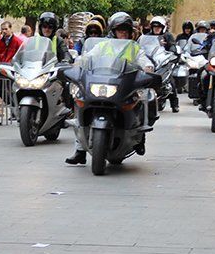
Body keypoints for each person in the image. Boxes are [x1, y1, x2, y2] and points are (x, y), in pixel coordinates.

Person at [66, 12, 152, 165]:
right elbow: (88, 57)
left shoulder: (135, 48)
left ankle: (140, 136)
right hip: (102, 83)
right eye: (120, 29)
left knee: (146, 96)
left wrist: (148, 67)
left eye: (126, 29)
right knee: (79, 99)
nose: (123, 32)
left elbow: (144, 60)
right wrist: (78, 62)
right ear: (113, 31)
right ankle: (80, 150)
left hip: (125, 85)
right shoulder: (102, 45)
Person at [150, 16, 179, 112]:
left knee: (170, 80)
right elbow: (142, 46)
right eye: (154, 27)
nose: (156, 29)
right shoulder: (148, 36)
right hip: (151, 61)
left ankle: (174, 104)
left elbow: (173, 46)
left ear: (163, 28)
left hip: (164, 61)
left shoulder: (168, 36)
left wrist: (172, 51)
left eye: (158, 27)